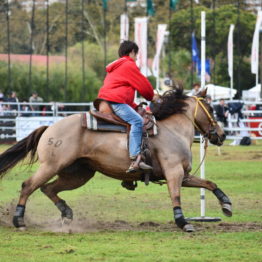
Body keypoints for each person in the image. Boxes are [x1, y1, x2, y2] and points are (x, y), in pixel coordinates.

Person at [97, 40, 156, 173]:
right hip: (115, 101)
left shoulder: (116, 67)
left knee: (133, 119)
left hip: (107, 100)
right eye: (136, 54)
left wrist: (135, 106)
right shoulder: (129, 65)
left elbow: (122, 92)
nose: (137, 58)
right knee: (137, 121)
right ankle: (135, 159)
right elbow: (145, 88)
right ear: (132, 52)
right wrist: (152, 97)